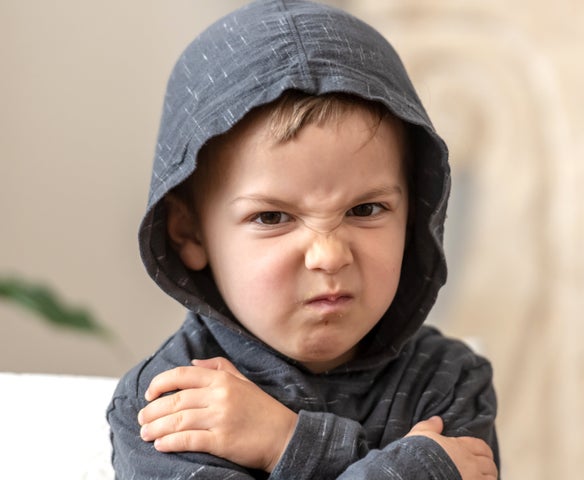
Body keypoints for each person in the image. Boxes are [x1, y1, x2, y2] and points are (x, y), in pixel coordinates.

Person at [107, 0, 500, 478]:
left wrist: (283, 443)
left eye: (365, 209)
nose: (329, 255)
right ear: (189, 232)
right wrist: (410, 467)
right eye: (272, 216)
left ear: (413, 215)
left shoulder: (452, 380)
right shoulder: (174, 400)